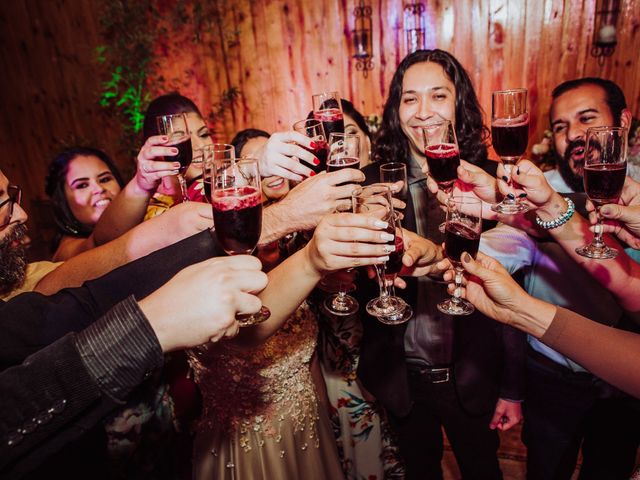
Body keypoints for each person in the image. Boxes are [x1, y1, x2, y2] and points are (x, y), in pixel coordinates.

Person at [357, 49, 525, 480]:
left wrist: (512, 387)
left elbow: (522, 288)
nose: (423, 112)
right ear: (396, 110)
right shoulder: (373, 183)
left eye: (438, 96)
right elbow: (352, 286)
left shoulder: (493, 180)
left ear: (459, 104)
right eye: (410, 99)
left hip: (472, 371)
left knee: (483, 469)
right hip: (402, 376)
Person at [45, 141, 181, 261]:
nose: (99, 189)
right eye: (82, 185)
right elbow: (99, 245)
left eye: (105, 179)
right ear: (62, 201)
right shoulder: (66, 251)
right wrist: (141, 185)